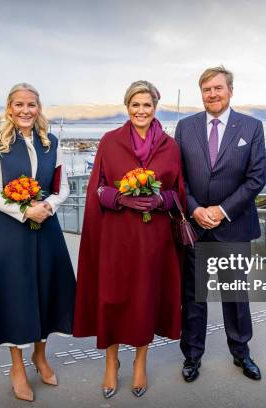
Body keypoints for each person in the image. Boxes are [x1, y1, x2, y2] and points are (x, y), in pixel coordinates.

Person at [74, 80, 185, 399]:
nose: (141, 110)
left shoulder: (170, 146)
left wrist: (160, 201)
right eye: (135, 105)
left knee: (144, 298)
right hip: (116, 237)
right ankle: (111, 363)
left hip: (153, 239)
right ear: (127, 107)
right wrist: (119, 198)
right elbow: (98, 186)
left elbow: (177, 191)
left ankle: (140, 362)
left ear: (155, 107)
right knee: (112, 298)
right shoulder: (109, 142)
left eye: (146, 105)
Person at [0, 83, 76, 402]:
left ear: (38, 107)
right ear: (9, 108)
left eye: (31, 105)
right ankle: (17, 366)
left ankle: (40, 355)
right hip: (11, 232)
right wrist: (24, 210)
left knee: (46, 291)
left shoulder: (52, 142)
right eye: (19, 104)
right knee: (16, 295)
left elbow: (63, 188)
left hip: (47, 227)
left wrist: (48, 207)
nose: (25, 110)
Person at [174, 66, 266, 383]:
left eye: (217, 88)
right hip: (196, 228)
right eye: (206, 90)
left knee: (235, 295)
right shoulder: (185, 128)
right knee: (194, 297)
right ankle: (192, 356)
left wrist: (222, 210)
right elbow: (177, 179)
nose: (212, 94)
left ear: (229, 90)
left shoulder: (252, 127)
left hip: (233, 227)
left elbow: (256, 179)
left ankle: (241, 353)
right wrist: (196, 209)